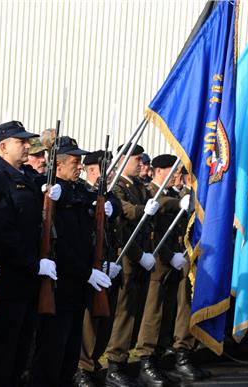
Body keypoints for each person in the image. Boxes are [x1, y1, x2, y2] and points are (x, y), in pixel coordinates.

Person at [0, 121, 62, 387]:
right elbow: (4, 234)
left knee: (22, 351)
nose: (27, 146)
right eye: (20, 142)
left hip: (29, 281)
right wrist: (34, 264)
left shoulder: (27, 177)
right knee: (0, 352)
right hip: (8, 280)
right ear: (3, 146)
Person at [28, 137, 115, 386]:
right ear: (58, 166)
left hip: (77, 287)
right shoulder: (50, 191)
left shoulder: (78, 191)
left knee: (69, 356)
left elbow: (104, 204)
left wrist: (111, 207)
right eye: (75, 162)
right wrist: (85, 272)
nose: (80, 167)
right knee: (49, 355)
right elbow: (60, 246)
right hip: (59, 285)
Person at [136, 155, 207, 384]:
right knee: (153, 314)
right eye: (172, 172)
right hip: (157, 261)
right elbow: (153, 232)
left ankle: (177, 355)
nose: (177, 176)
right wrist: (168, 255)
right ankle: (147, 360)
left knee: (176, 309)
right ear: (157, 171)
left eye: (178, 172)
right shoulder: (151, 194)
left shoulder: (174, 195)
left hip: (177, 259)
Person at [104, 144, 160, 387]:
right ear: (123, 160)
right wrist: (139, 255)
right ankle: (115, 363)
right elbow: (124, 218)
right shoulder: (117, 185)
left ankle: (125, 361)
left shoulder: (138, 186)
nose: (141, 163)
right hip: (127, 256)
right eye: (136, 159)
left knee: (135, 310)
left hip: (141, 255)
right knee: (123, 312)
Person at [76, 150, 123, 387]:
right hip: (89, 263)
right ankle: (83, 366)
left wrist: (111, 206)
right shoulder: (83, 191)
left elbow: (116, 206)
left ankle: (93, 362)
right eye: (108, 169)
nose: (113, 173)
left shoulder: (106, 193)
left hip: (107, 260)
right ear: (93, 170)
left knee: (105, 320)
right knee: (89, 321)